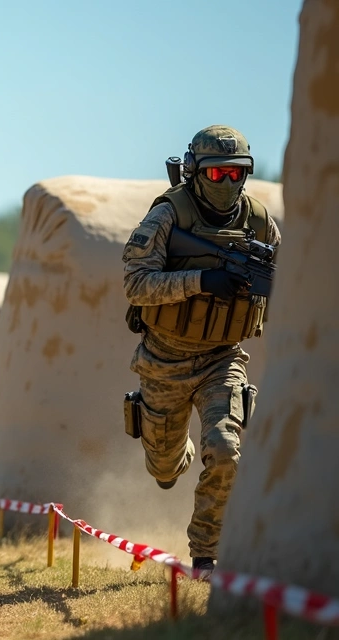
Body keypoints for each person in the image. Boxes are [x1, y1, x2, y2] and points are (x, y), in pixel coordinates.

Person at [122, 125, 280, 578]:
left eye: (236, 173)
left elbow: (286, 283)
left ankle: (207, 555)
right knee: (164, 468)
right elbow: (136, 284)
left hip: (222, 358)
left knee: (226, 449)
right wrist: (203, 281)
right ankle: (175, 454)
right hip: (164, 360)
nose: (226, 182)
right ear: (195, 170)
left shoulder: (259, 222)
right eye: (216, 173)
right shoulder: (168, 216)